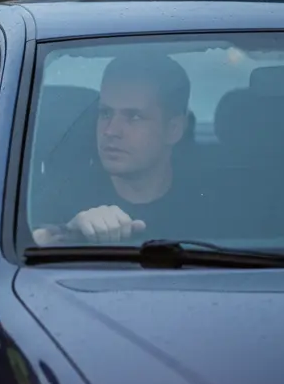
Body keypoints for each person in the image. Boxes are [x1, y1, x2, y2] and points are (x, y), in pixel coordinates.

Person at [32, 55, 214, 244]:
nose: (110, 131)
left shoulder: (211, 204)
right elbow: (24, 244)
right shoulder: (61, 195)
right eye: (105, 113)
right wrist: (68, 233)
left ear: (173, 130)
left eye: (134, 117)